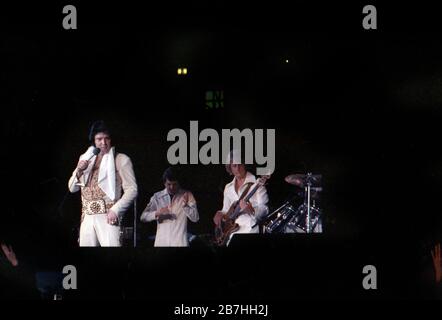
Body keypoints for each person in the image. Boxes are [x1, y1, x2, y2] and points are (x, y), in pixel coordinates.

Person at [68, 121, 138, 247]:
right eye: (99, 139)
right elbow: (72, 189)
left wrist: (116, 210)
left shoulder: (121, 159)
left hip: (108, 216)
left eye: (107, 138)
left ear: (111, 140)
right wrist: (78, 171)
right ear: (93, 141)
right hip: (87, 218)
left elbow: (132, 189)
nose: (103, 143)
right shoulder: (85, 158)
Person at [213, 150, 269, 244]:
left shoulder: (256, 183)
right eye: (234, 165)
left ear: (245, 164)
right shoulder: (228, 187)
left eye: (240, 164)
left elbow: (265, 209)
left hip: (250, 230)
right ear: (230, 168)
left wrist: (251, 211)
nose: (238, 169)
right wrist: (220, 214)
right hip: (231, 233)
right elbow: (226, 210)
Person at [140, 167, 199, 247]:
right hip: (161, 244)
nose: (171, 187)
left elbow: (195, 218)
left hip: (180, 243)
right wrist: (157, 213)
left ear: (178, 183)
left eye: (174, 184)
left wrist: (185, 206)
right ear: (164, 183)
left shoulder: (187, 194)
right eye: (169, 184)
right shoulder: (157, 196)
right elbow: (143, 217)